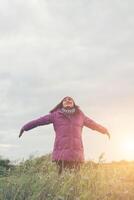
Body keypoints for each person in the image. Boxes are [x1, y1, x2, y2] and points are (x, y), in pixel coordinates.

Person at [19, 96, 110, 174]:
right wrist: (25, 127)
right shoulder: (55, 115)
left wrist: (104, 130)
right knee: (61, 180)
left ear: (73, 104)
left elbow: (92, 124)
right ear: (62, 104)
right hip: (61, 153)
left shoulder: (80, 115)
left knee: (75, 181)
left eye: (70, 99)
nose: (67, 100)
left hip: (76, 154)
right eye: (65, 100)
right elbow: (39, 121)